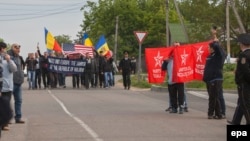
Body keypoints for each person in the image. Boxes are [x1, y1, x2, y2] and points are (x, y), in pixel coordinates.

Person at [228, 33, 250, 125]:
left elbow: (245, 71)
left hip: (244, 84)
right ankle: (235, 121)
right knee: (242, 104)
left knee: (246, 106)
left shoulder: (244, 55)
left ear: (242, 44)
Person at [203, 40, 225, 119]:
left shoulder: (218, 55)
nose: (208, 49)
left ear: (213, 48)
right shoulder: (209, 56)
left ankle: (210, 113)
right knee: (214, 97)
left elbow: (217, 48)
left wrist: (214, 42)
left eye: (209, 47)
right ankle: (218, 114)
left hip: (216, 79)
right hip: (209, 79)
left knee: (213, 97)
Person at [7, 43, 25, 123]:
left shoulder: (19, 57)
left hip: (18, 82)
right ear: (12, 48)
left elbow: (20, 68)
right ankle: (8, 119)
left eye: (19, 47)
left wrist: (22, 77)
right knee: (8, 101)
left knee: (19, 101)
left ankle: (18, 117)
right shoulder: (8, 56)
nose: (18, 49)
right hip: (11, 82)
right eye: (16, 47)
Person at [0, 42, 16, 132]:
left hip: (8, 86)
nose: (3, 50)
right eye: (2, 48)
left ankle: (5, 123)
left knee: (6, 106)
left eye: (4, 48)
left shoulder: (9, 59)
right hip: (1, 86)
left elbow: (14, 69)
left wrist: (9, 60)